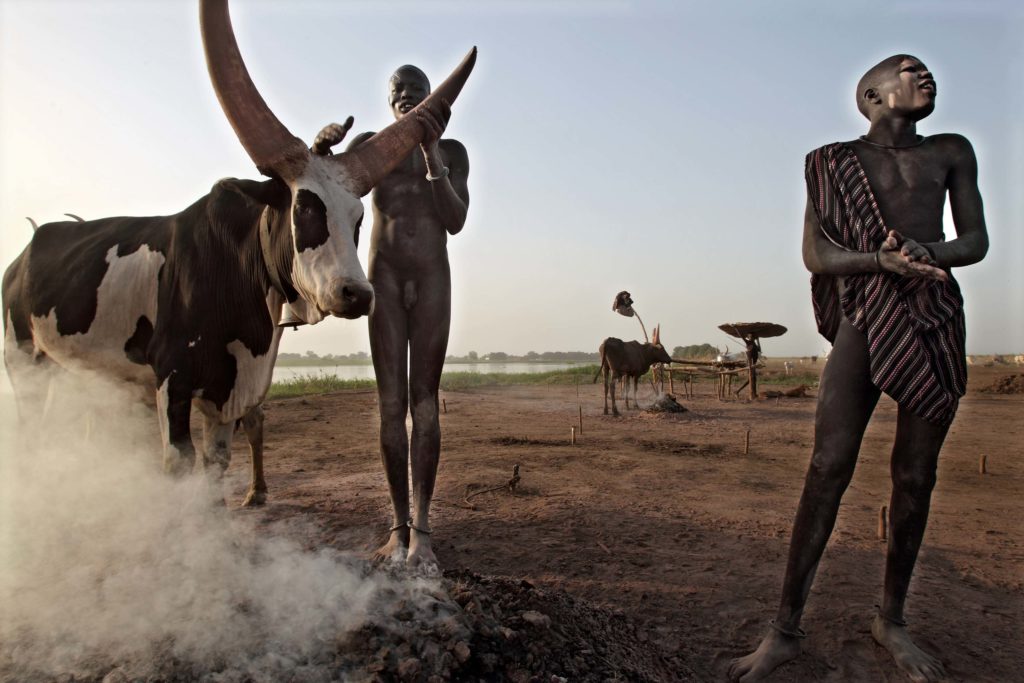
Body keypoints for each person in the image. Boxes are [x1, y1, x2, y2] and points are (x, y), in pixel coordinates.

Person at [729, 54, 989, 682]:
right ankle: (784, 629)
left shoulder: (951, 151)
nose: (925, 76)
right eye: (909, 69)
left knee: (916, 475)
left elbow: (975, 241)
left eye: (927, 70)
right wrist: (879, 260)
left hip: (931, 314)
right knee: (827, 465)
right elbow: (817, 254)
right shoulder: (830, 162)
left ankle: (891, 620)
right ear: (871, 95)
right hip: (865, 318)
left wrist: (929, 251)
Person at [313, 64, 469, 569]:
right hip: (383, 275)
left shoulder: (452, 152)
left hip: (431, 279)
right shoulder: (373, 146)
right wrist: (323, 149)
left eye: (417, 91)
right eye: (398, 91)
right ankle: (396, 527)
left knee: (424, 403)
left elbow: (456, 220)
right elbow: (330, 189)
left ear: (432, 100)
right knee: (390, 404)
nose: (407, 96)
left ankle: (422, 529)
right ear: (388, 100)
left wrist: (429, 153)